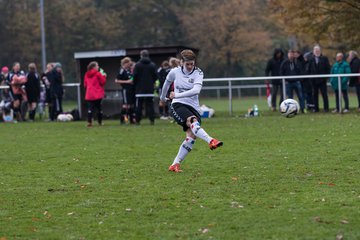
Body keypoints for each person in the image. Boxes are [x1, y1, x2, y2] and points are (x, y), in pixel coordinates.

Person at [160, 49, 223, 173]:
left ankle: (175, 165)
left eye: (192, 64)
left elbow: (196, 91)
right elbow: (166, 84)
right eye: (187, 64)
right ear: (181, 62)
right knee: (192, 121)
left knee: (191, 136)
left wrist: (176, 94)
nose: (190, 67)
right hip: (178, 105)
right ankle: (211, 140)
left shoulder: (198, 73)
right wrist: (163, 98)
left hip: (193, 107)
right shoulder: (175, 72)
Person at [133, 50, 158, 125]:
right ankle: (152, 120)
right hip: (150, 89)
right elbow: (155, 76)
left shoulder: (137, 65)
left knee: (139, 106)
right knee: (150, 105)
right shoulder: (152, 65)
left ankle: (137, 120)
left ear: (141, 55)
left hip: (140, 89)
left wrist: (135, 84)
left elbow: (135, 76)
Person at [307, 45, 331, 112]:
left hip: (322, 80)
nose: (317, 52)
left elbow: (328, 68)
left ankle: (326, 108)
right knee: (314, 95)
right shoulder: (311, 59)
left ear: (320, 51)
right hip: (313, 80)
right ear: (313, 51)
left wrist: (326, 78)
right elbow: (308, 69)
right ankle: (316, 108)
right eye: (315, 50)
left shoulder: (324, 58)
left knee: (324, 95)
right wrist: (310, 78)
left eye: (318, 50)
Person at [84, 61, 106, 127]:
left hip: (89, 94)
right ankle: (100, 122)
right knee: (99, 108)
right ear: (94, 67)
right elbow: (103, 82)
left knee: (90, 109)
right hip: (97, 94)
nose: (98, 67)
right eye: (97, 65)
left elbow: (85, 85)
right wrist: (104, 76)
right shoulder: (98, 74)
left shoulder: (86, 74)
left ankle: (89, 122)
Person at [115, 57, 136, 124]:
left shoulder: (129, 70)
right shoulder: (122, 70)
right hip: (126, 90)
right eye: (128, 63)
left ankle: (131, 120)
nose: (129, 64)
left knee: (131, 105)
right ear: (125, 63)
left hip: (132, 89)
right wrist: (127, 81)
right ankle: (122, 119)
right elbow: (116, 80)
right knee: (126, 105)